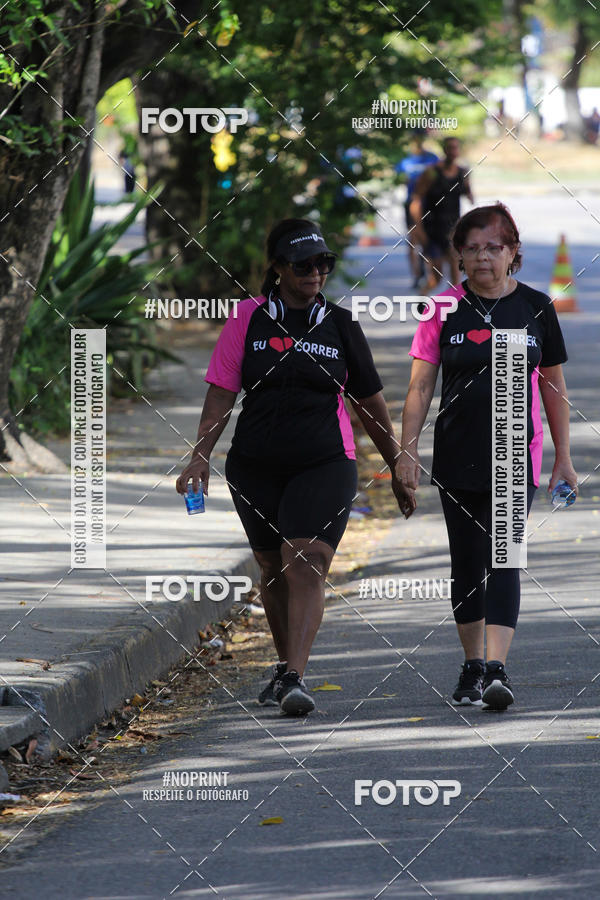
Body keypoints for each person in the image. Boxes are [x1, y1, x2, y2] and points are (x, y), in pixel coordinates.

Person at [176, 218, 407, 716]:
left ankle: (295, 676)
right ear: (278, 268)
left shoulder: (342, 326)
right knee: (271, 567)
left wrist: (398, 466)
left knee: (305, 560)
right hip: (255, 464)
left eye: (323, 263)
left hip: (325, 460)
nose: (315, 273)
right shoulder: (248, 318)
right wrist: (200, 457)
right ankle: (286, 669)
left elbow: (369, 404)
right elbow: (221, 391)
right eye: (303, 264)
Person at [395, 203, 578, 711]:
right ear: (458, 256)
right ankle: (472, 664)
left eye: (493, 247)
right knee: (467, 562)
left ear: (512, 252)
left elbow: (554, 389)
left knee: (505, 558)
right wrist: (405, 453)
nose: (482, 258)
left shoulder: (537, 308)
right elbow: (419, 387)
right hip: (456, 453)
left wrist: (563, 458)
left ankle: (496, 668)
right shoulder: (442, 310)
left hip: (515, 453)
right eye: (471, 249)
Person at [410, 136, 474, 293]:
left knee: (456, 278)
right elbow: (416, 201)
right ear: (444, 150)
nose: (453, 151)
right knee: (436, 279)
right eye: (450, 148)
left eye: (456, 148)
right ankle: (423, 305)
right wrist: (418, 230)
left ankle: (454, 313)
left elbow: (470, 196)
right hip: (432, 230)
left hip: (453, 231)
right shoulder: (432, 173)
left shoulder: (462, 173)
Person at [395, 134, 438, 287]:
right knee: (412, 240)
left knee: (428, 239)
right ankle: (416, 274)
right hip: (411, 203)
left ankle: (430, 273)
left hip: (429, 204)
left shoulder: (432, 158)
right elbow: (398, 178)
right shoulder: (405, 160)